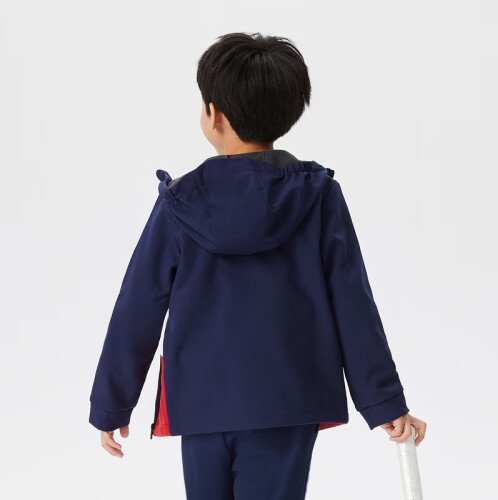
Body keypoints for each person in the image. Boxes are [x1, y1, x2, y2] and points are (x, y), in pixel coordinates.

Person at [89, 32, 427, 499]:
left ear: (213, 115)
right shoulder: (319, 197)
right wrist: (384, 400)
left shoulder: (180, 204)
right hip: (288, 399)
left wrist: (112, 404)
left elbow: (137, 307)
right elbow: (353, 303)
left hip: (202, 400)